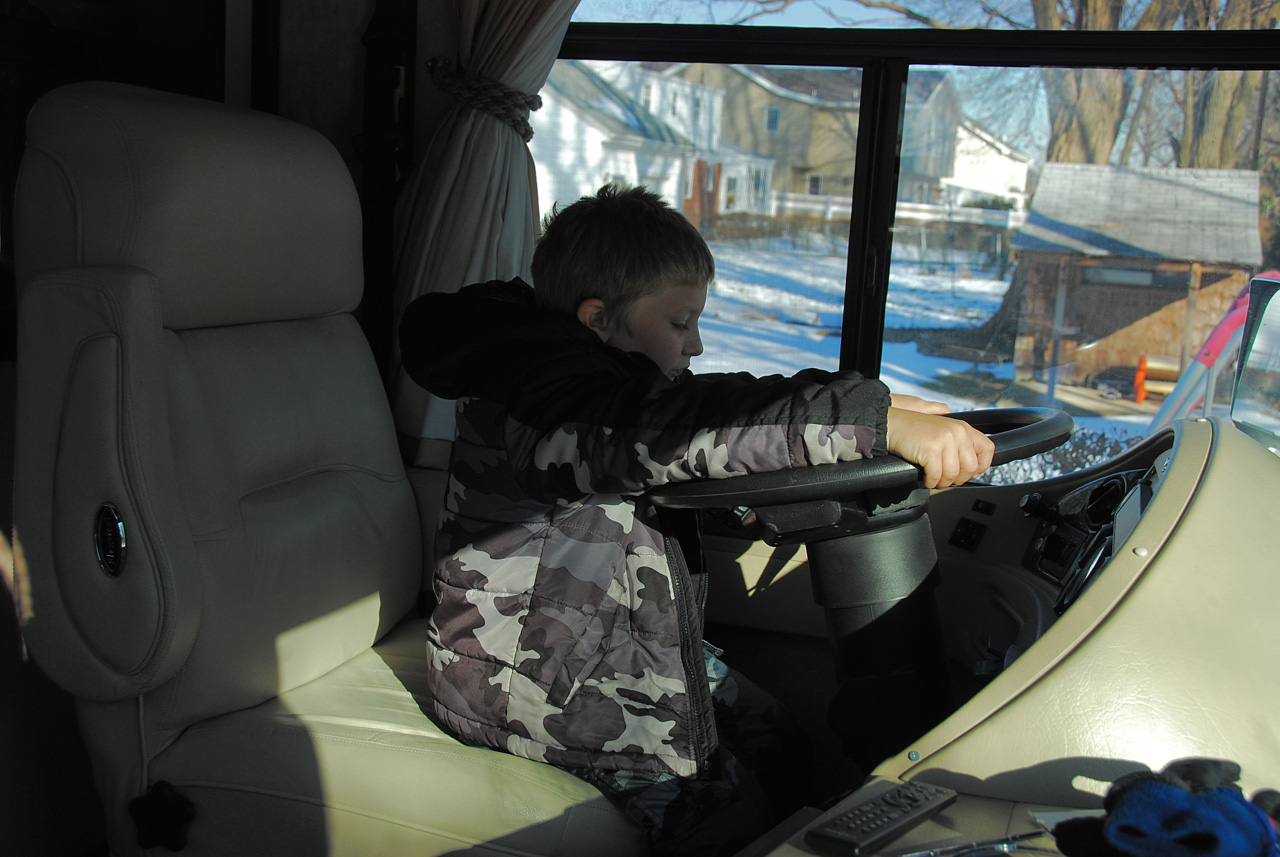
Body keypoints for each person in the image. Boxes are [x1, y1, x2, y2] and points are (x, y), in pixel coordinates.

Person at [399, 184, 994, 856]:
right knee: (724, 814)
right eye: (681, 324)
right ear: (598, 318)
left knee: (782, 741)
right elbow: (664, 429)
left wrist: (868, 410)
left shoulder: (607, 377)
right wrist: (862, 421)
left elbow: (714, 402)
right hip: (521, 677)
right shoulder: (548, 398)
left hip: (601, 644)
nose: (698, 343)